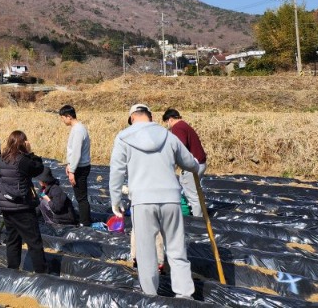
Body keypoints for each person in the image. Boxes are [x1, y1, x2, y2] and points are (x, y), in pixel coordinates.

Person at [109, 103, 200, 299]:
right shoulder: (169, 136)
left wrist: (115, 199)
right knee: (176, 248)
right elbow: (190, 162)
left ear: (132, 118)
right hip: (171, 199)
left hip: (143, 201)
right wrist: (195, 167)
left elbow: (116, 171)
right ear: (150, 116)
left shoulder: (124, 137)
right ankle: (185, 296)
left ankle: (151, 296)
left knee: (146, 252)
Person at [0, 130, 48, 274]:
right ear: (22, 143)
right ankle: (42, 273)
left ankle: (12, 270)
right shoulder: (22, 160)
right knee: (34, 241)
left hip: (6, 206)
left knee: (12, 239)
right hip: (22, 206)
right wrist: (30, 153)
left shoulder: (0, 158)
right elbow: (38, 168)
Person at [163, 108, 207, 218]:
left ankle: (198, 220)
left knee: (191, 193)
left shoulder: (177, 127)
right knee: (190, 187)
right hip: (200, 163)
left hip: (193, 165)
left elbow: (179, 147)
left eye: (166, 122)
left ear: (170, 119)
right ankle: (200, 214)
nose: (167, 125)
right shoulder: (184, 125)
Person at [59, 105, 92, 226]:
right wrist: (69, 165)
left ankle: (85, 222)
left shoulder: (78, 130)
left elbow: (76, 152)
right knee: (80, 196)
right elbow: (73, 152)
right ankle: (85, 220)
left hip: (80, 167)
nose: (62, 120)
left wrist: (72, 170)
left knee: (81, 197)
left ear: (69, 116)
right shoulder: (77, 128)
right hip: (78, 166)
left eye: (63, 118)